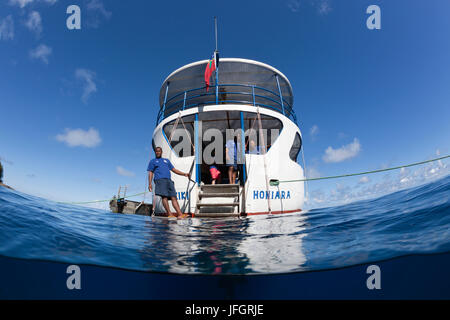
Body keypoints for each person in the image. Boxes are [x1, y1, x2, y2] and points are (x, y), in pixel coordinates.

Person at [147, 147, 190, 218]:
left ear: (161, 152)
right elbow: (150, 172)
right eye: (156, 151)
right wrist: (149, 184)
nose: (158, 152)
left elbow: (174, 169)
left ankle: (180, 214)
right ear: (155, 152)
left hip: (169, 180)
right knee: (164, 197)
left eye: (159, 151)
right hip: (160, 180)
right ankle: (169, 214)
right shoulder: (153, 161)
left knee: (173, 197)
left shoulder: (166, 161)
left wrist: (184, 174)